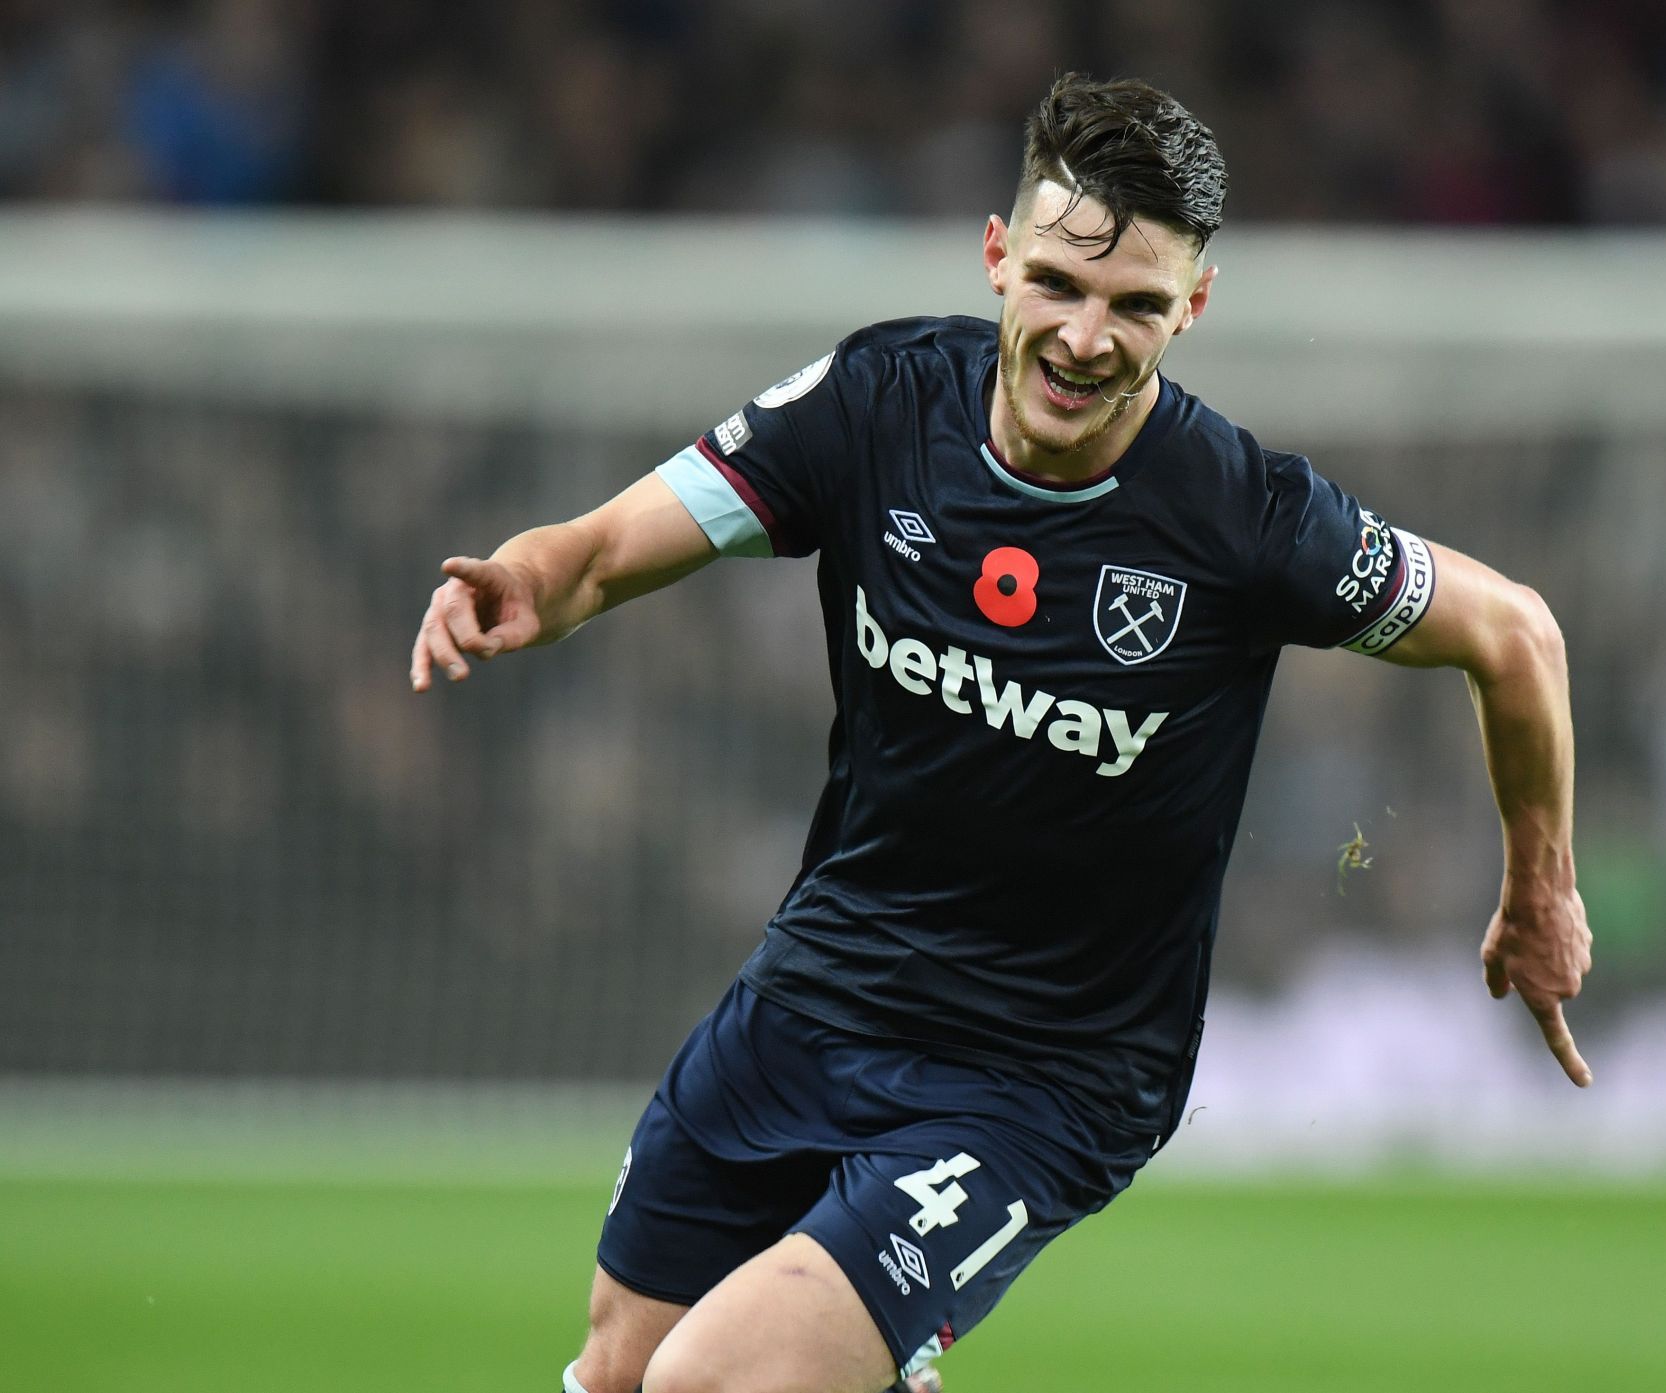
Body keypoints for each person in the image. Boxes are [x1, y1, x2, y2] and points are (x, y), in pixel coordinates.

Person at [409, 73, 1592, 1393]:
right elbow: (608, 547)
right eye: (1059, 286)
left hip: (1044, 1070)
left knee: (711, 1384)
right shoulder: (876, 405)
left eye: (1138, 304)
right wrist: (532, 572)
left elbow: (1517, 635)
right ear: (996, 258)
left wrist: (1538, 886)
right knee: (619, 1371)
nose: (1088, 337)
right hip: (816, 997)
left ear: (1193, 307)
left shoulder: (1244, 519)